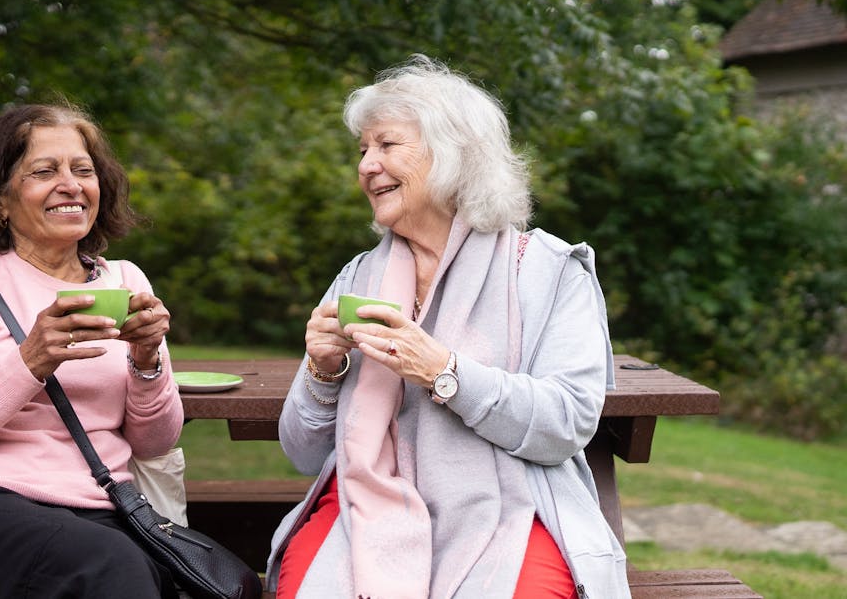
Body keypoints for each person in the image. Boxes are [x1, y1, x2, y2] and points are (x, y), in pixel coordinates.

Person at [265, 56, 631, 599]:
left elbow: (565, 423)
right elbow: (301, 453)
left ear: (454, 155)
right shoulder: (356, 279)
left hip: (513, 505)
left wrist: (445, 372)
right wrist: (322, 371)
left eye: (387, 146)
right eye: (363, 150)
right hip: (366, 511)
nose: (366, 166)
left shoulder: (550, 270)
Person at [0, 103, 185, 598]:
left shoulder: (125, 280)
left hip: (101, 512)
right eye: (44, 171)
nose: (71, 184)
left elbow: (154, 443)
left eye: (83, 170)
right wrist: (30, 362)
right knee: (112, 571)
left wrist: (147, 360)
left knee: (170, 577)